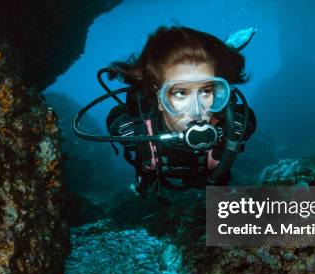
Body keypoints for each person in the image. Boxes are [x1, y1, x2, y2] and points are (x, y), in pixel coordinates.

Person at [104, 26, 256, 195]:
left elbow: (248, 117)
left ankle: (228, 48)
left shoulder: (225, 124)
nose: (197, 111)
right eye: (181, 93)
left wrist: (240, 125)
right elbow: (115, 116)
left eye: (206, 91)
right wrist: (122, 126)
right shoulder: (142, 128)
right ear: (159, 99)